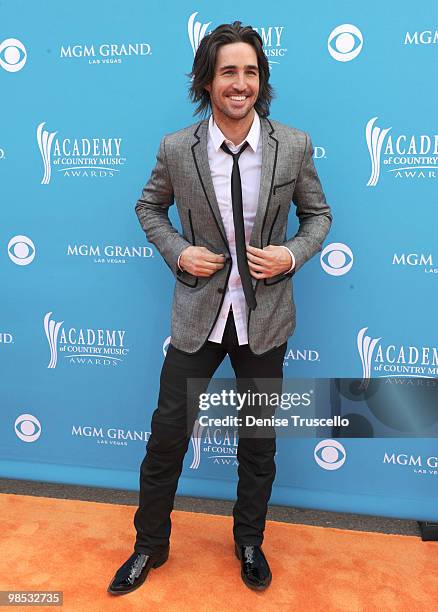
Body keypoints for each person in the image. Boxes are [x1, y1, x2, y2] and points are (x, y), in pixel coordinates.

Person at [108, 20, 332, 595]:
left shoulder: (295, 145)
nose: (241, 83)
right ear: (207, 81)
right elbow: (148, 207)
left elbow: (320, 217)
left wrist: (290, 254)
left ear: (262, 81)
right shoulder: (176, 148)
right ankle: (148, 547)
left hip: (265, 320)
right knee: (166, 438)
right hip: (197, 319)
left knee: (258, 441)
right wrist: (180, 251)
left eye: (251, 72)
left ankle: (249, 540)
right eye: (228, 71)